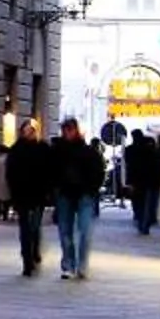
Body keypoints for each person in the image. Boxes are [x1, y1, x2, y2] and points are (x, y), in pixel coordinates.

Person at [51, 117, 105, 279]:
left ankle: (82, 265)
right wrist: (54, 189)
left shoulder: (88, 151)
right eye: (65, 130)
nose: (68, 133)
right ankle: (68, 265)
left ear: (76, 131)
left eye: (70, 129)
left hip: (85, 195)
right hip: (64, 194)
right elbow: (49, 171)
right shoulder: (57, 151)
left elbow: (99, 171)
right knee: (65, 232)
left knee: (85, 232)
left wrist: (92, 189)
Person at [4, 117, 55, 277]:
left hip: (38, 195)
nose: (29, 133)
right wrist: (12, 193)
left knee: (34, 226)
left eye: (31, 131)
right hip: (21, 195)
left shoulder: (43, 148)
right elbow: (10, 173)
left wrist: (48, 191)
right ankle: (27, 260)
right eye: (26, 131)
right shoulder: (16, 150)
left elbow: (50, 171)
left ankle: (34, 251)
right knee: (25, 228)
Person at [124, 129, 160, 236]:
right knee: (147, 202)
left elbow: (128, 165)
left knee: (137, 201)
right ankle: (145, 223)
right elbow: (156, 164)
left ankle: (140, 219)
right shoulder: (150, 149)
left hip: (135, 179)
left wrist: (129, 181)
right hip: (149, 179)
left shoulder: (129, 150)